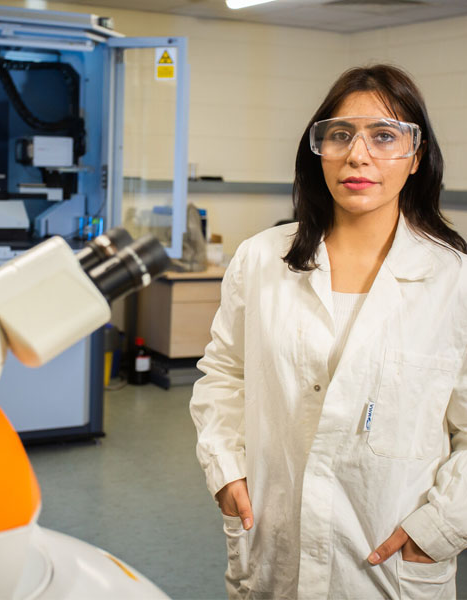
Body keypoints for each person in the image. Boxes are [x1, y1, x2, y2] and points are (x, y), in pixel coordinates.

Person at [189, 63, 467, 599]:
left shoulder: (453, 280)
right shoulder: (262, 259)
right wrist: (226, 471)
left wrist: (438, 530)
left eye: (384, 136)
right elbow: (225, 374)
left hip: (388, 558)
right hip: (273, 544)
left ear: (417, 157)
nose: (357, 155)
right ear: (318, 151)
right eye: (339, 135)